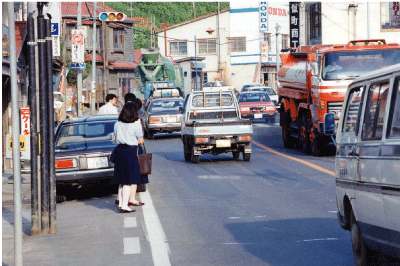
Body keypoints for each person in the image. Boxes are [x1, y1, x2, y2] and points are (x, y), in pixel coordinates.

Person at [112, 102, 144, 213]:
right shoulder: (136, 125)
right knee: (128, 180)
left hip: (119, 151)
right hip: (130, 152)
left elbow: (114, 139)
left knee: (121, 180)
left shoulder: (117, 124)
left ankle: (121, 204)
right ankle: (125, 206)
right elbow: (140, 140)